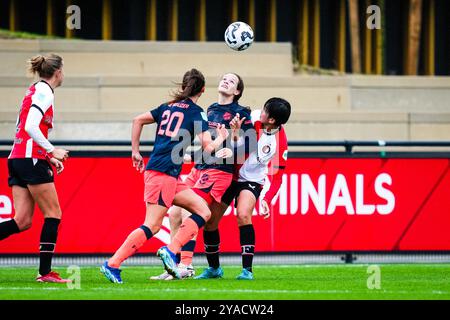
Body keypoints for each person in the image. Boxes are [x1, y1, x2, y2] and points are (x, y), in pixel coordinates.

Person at [100, 68, 229, 284]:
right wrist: (222, 138)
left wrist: (135, 151)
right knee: (152, 225)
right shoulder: (197, 112)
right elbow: (208, 147)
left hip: (168, 174)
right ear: (203, 89)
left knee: (203, 211)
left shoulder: (166, 107)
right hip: (162, 174)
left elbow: (137, 120)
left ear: (182, 86)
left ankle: (171, 250)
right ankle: (113, 264)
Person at [151, 72, 254, 280]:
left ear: (237, 91)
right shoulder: (210, 110)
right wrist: (193, 155)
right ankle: (174, 266)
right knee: (174, 213)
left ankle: (186, 266)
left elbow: (251, 143)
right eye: (224, 78)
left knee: (192, 211)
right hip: (200, 167)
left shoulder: (240, 112)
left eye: (232, 81)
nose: (226, 81)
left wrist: (233, 152)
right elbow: (209, 145)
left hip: (219, 171)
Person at [194, 97, 291, 280]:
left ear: (271, 120)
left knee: (243, 214)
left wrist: (267, 200)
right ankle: (214, 269)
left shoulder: (281, 142)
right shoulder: (251, 117)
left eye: (265, 111)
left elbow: (277, 177)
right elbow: (234, 144)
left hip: (251, 180)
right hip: (229, 174)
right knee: (211, 220)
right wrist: (236, 132)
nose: (259, 112)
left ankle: (247, 270)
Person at [0, 54, 70, 283]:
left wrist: (47, 156)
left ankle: (44, 272)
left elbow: (27, 127)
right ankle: (45, 273)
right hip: (29, 158)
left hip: (18, 157)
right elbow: (31, 126)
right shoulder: (45, 91)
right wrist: (51, 151)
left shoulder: (35, 88)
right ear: (58, 72)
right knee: (53, 214)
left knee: (22, 221)